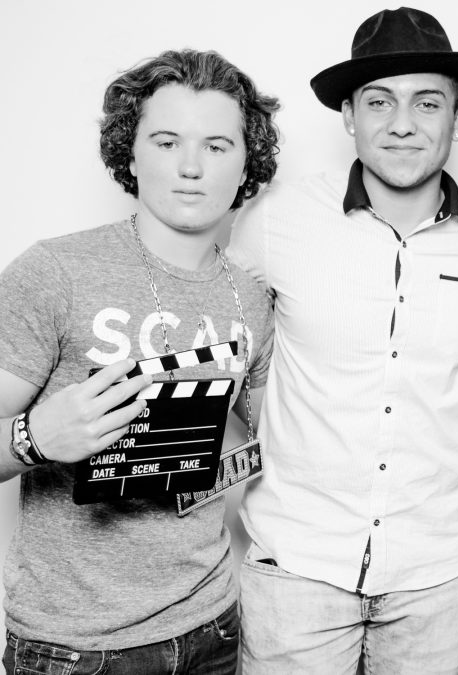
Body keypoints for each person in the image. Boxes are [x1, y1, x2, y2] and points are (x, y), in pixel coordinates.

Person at [227, 7, 458, 674]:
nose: (402, 123)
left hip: (437, 576)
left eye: (427, 103)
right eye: (379, 101)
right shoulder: (275, 224)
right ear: (348, 116)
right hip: (296, 567)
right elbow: (217, 347)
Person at [0, 49, 279, 674]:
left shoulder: (252, 297)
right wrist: (34, 438)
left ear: (246, 165)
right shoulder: (55, 271)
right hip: (75, 646)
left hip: (213, 623)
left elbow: (272, 440)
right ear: (130, 154)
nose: (190, 167)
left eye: (216, 146)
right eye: (166, 142)